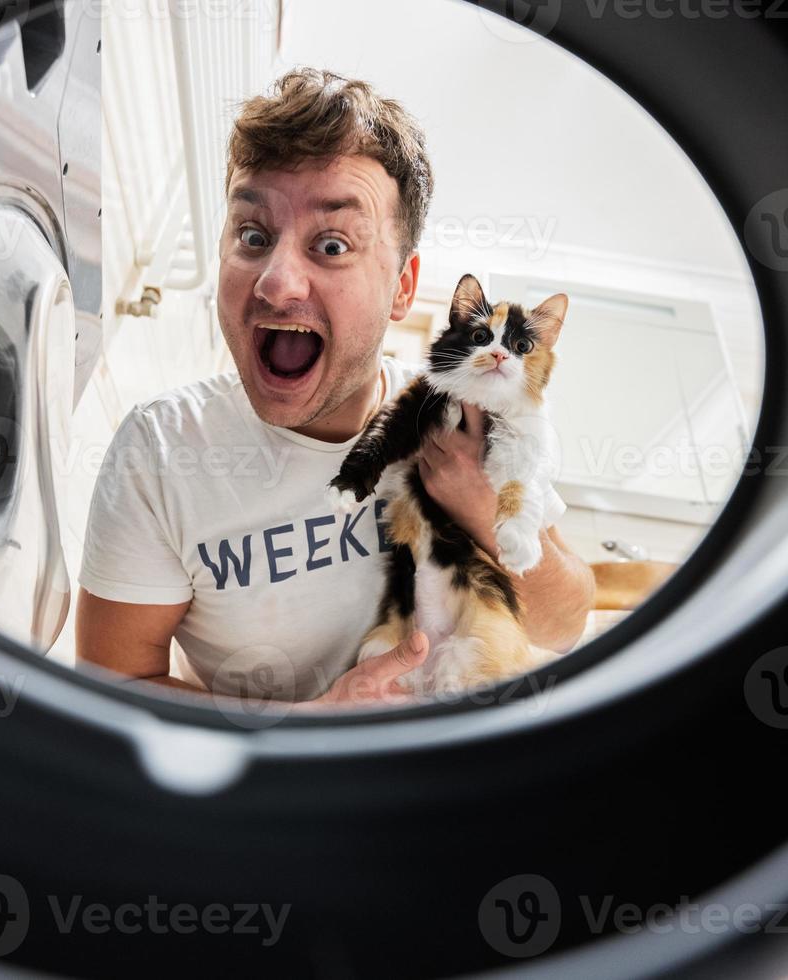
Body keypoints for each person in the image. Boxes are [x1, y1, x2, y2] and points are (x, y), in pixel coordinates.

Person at [77, 68, 595, 707]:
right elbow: (111, 689)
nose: (275, 281)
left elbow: (566, 621)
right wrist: (311, 723)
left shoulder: (472, 423)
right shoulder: (158, 452)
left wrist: (484, 509)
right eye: (253, 236)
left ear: (403, 287)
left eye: (330, 244)